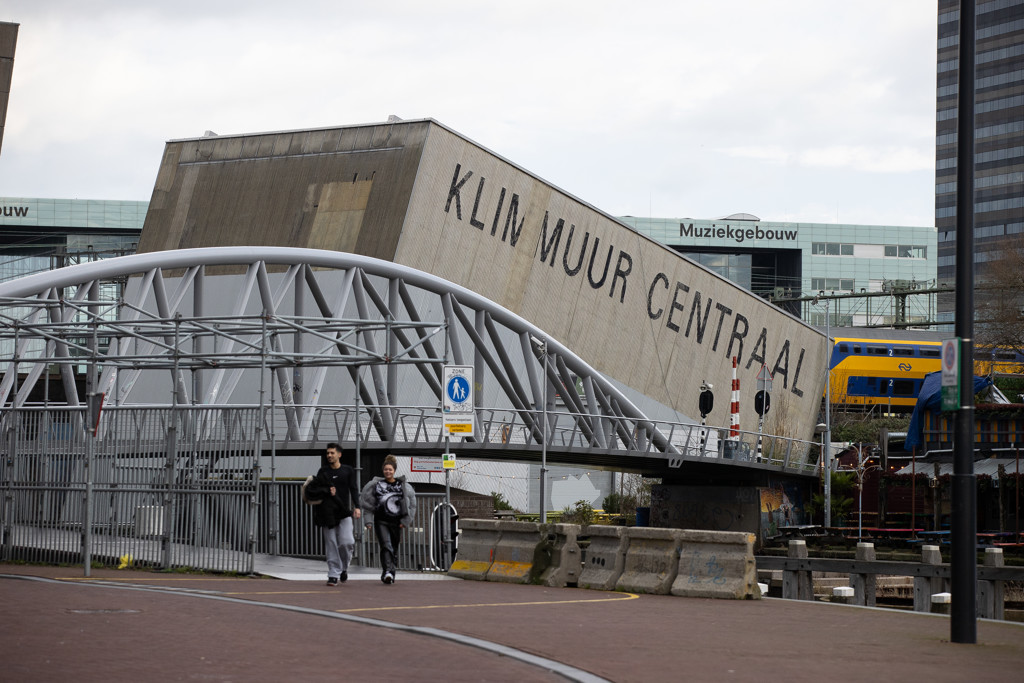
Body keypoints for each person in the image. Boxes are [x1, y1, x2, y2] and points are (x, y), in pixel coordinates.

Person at [304, 443, 361, 586]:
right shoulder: (323, 471)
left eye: (332, 453)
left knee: (347, 542)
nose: (329, 455)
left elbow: (353, 489)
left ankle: (344, 567)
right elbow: (315, 488)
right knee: (331, 543)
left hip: (344, 512)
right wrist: (327, 491)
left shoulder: (348, 470)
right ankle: (333, 574)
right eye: (327, 453)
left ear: (339, 454)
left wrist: (357, 507)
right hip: (327, 513)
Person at [359, 454, 416, 584]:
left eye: (390, 469)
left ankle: (390, 571)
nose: (388, 472)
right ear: (383, 470)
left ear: (394, 471)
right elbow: (368, 504)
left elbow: (412, 505)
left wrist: (406, 521)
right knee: (386, 545)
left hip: (396, 523)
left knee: (393, 548)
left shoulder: (402, 486)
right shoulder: (376, 485)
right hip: (381, 521)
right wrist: (368, 521)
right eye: (386, 469)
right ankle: (388, 572)